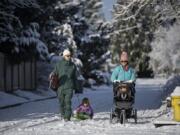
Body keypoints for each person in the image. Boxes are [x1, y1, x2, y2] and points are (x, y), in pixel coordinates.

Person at [50, 49, 78, 121]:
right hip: (60, 87)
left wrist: (76, 87)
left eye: (70, 56)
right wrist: (52, 77)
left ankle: (67, 117)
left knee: (68, 102)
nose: (69, 57)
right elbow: (54, 74)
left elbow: (75, 77)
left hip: (69, 87)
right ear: (64, 56)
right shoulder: (59, 64)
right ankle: (63, 115)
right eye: (67, 56)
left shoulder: (73, 66)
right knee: (61, 103)